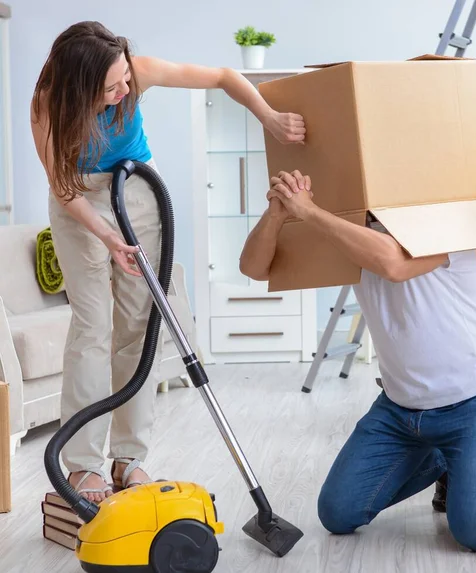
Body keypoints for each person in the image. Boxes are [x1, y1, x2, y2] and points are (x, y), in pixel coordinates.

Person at [30, 21, 306, 503]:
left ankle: (129, 459)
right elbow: (63, 186)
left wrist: (268, 115)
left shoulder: (138, 72)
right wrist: (108, 237)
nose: (124, 90)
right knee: (93, 327)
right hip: (79, 204)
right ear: (79, 87)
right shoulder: (48, 104)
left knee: (139, 326)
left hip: (138, 190)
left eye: (125, 79)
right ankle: (82, 467)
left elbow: (223, 76)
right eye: (111, 86)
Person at [238, 169, 476, 553]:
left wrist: (310, 213)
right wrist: (279, 212)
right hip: (401, 410)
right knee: (338, 513)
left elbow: (393, 264)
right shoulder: (347, 224)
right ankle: (457, 464)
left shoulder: (448, 213)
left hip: (473, 401)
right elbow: (253, 267)